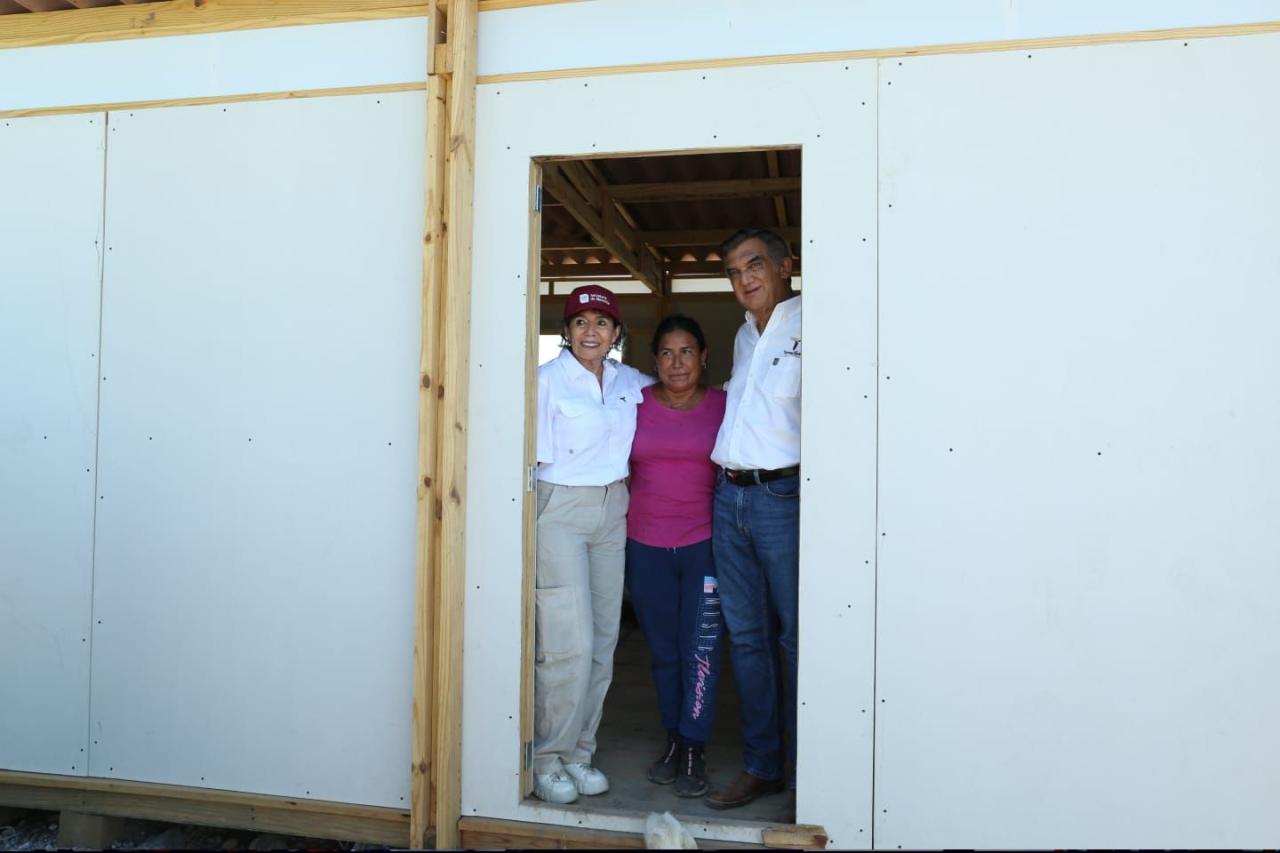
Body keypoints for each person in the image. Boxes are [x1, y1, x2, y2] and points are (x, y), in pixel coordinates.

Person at [532, 283, 653, 805]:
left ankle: (581, 752)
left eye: (601, 323)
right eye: (580, 322)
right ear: (566, 330)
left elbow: (679, 392)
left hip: (613, 506)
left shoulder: (630, 382)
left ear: (616, 332)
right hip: (561, 507)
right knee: (568, 642)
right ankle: (546, 757)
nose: (590, 331)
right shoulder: (545, 381)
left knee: (603, 640)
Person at [704, 228, 802, 810]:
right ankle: (762, 765)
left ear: (785, 265)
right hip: (729, 495)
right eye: (735, 272)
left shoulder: (817, 324)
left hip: (782, 498)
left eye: (755, 264)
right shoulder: (744, 335)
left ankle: (805, 772)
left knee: (795, 638)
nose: (745, 279)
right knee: (746, 638)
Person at [625, 315, 727, 799]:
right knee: (664, 652)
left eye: (687, 351)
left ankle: (694, 745)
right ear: (654, 361)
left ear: (704, 356)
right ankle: (673, 739)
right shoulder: (636, 404)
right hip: (645, 546)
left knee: (700, 651)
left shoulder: (724, 406)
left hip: (704, 546)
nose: (677, 362)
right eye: (666, 352)